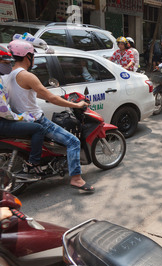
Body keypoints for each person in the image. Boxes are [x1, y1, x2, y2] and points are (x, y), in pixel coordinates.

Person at [5, 40, 94, 192]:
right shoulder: (27, 75)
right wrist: (77, 105)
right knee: (73, 142)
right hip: (37, 120)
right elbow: (51, 98)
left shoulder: (8, 75)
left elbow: (32, 93)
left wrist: (52, 98)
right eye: (32, 55)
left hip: (20, 119)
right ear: (28, 56)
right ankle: (76, 179)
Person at [0, 45, 46, 176]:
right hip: (2, 122)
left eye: (10, 62)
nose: (9, 65)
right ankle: (33, 163)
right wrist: (24, 116)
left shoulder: (3, 78)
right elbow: (4, 112)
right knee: (38, 128)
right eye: (5, 62)